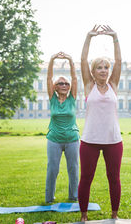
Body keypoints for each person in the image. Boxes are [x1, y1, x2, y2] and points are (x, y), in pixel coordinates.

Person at [78, 25, 123, 221]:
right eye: (99, 67)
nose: (104, 70)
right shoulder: (89, 86)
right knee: (86, 179)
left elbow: (119, 61)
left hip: (113, 140)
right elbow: (82, 60)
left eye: (106, 67)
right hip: (90, 140)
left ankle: (114, 214)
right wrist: (89, 37)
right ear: (93, 72)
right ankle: (84, 215)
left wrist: (115, 37)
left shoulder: (113, 84)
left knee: (114, 179)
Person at [45, 51, 79, 203]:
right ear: (55, 87)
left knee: (73, 169)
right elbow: (48, 77)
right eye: (60, 83)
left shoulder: (72, 98)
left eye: (66, 83)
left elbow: (75, 78)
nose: (64, 85)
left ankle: (74, 196)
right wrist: (52, 59)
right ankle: (49, 198)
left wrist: (70, 60)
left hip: (72, 139)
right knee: (53, 169)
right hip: (54, 139)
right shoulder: (52, 98)